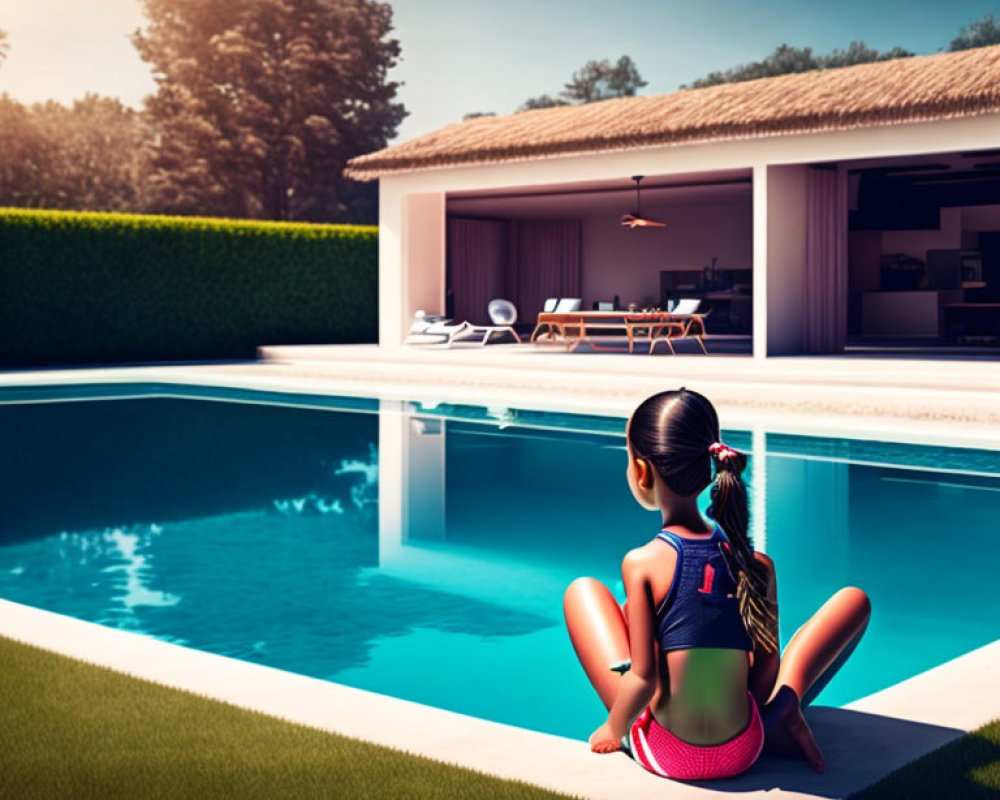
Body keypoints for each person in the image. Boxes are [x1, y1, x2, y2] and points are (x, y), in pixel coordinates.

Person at [563, 388, 871, 781]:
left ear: (641, 472)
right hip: (744, 748)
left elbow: (644, 679)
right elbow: (766, 670)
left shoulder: (641, 563)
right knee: (853, 601)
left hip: (669, 753)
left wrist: (612, 729)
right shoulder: (756, 563)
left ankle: (764, 710)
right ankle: (784, 710)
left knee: (583, 592)